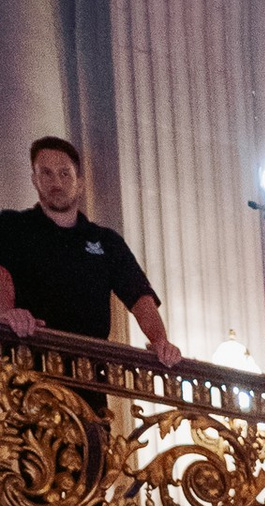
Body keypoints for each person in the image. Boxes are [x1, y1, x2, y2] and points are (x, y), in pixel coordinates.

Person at [0, 137, 178, 357]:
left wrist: (160, 341)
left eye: (64, 173)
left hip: (91, 367)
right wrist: (6, 312)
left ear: (80, 183)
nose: (56, 183)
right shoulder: (11, 226)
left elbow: (140, 296)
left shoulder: (107, 241)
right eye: (46, 173)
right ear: (35, 180)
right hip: (27, 362)